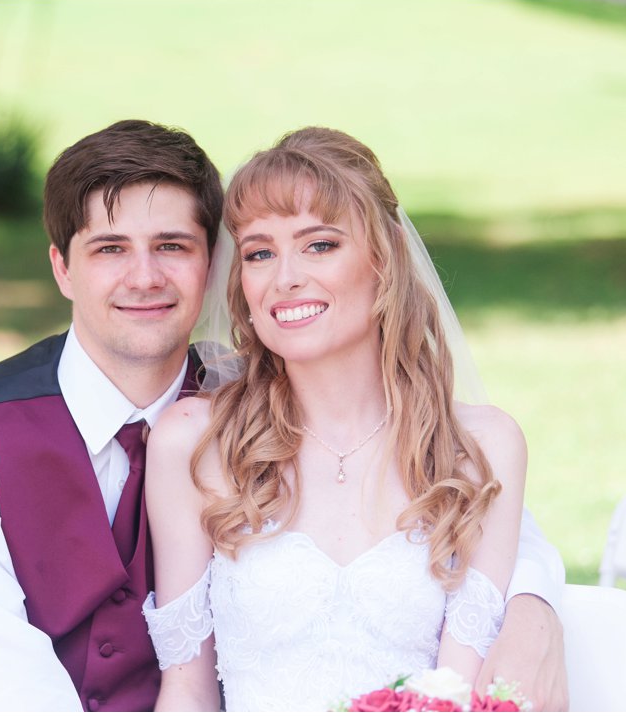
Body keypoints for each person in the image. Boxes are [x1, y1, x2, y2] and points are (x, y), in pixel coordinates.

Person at [0, 121, 566, 713]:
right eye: (111, 249)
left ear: (211, 265)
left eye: (172, 247)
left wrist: (534, 607)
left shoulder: (269, 386)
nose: (144, 278)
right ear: (61, 267)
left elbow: (476, 510)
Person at [142, 126, 565, 711]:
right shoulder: (195, 443)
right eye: (260, 252)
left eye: (319, 244)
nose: (285, 277)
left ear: (385, 254)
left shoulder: (483, 449)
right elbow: (186, 689)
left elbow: (458, 693)